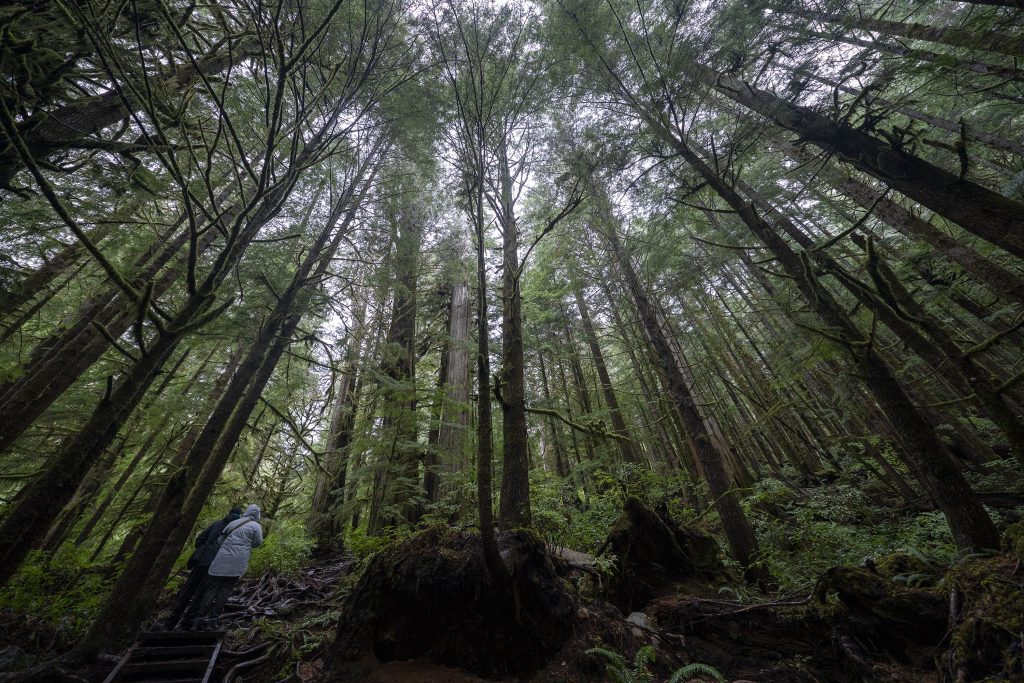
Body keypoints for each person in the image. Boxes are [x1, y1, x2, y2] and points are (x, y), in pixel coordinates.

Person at [163, 505, 241, 630]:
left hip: (201, 562)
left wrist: (203, 549)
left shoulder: (217, 523)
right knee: (200, 594)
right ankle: (186, 623)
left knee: (187, 592)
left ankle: (170, 623)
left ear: (229, 513)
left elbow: (200, 538)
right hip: (215, 566)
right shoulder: (235, 530)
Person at [189, 503, 264, 630]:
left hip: (221, 558)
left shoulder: (233, 523)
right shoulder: (256, 526)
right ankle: (212, 621)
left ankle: (198, 620)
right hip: (237, 561)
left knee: (212, 588)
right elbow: (257, 543)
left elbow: (220, 541)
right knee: (226, 588)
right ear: (257, 515)